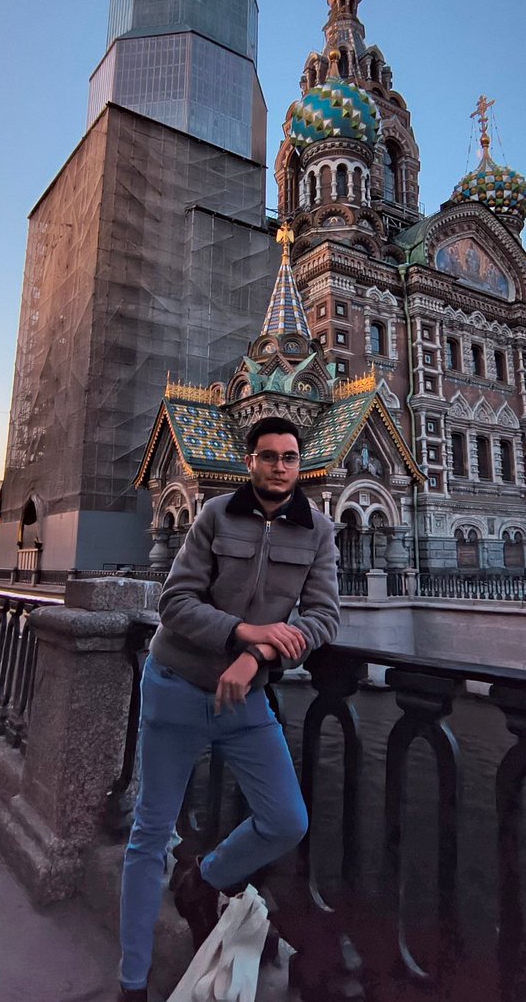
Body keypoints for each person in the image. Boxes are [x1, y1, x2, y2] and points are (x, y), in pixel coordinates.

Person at [118, 416, 340, 1001]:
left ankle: (203, 881)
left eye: (289, 457)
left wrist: (256, 656)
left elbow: (323, 617)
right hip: (178, 687)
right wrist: (246, 632)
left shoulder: (317, 531)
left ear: (301, 464)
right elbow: (175, 602)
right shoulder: (216, 514)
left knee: (286, 819)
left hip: (245, 698)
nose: (279, 466)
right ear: (251, 461)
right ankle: (133, 981)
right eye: (268, 456)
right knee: (150, 834)